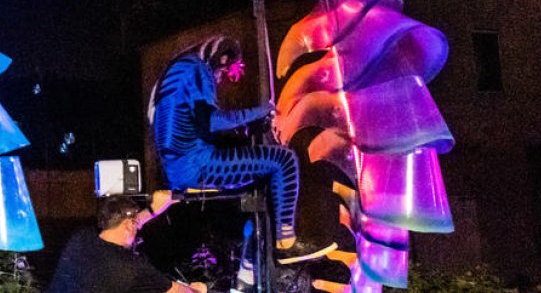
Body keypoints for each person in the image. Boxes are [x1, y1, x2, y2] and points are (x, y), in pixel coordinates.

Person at [149, 35, 332, 264]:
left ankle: (255, 256)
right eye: (223, 74)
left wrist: (245, 126)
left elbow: (192, 122)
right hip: (198, 166)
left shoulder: (179, 69)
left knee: (259, 174)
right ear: (221, 59)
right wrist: (261, 111)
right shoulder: (197, 70)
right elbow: (213, 121)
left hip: (180, 166)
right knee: (283, 160)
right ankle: (286, 244)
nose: (220, 80)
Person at [48, 192, 207, 293]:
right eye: (134, 225)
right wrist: (198, 289)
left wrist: (152, 211)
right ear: (128, 225)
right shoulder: (132, 268)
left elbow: (128, 222)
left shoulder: (81, 238)